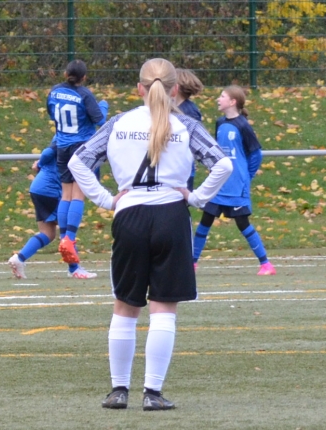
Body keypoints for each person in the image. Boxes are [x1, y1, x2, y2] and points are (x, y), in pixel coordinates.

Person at [69, 58, 231, 411]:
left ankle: (118, 391)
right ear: (175, 89)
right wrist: (198, 197)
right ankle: (153, 394)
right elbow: (223, 163)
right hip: (171, 215)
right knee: (163, 309)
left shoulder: (118, 123)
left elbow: (77, 161)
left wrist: (106, 200)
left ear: (139, 88)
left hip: (130, 216)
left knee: (125, 306)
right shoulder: (185, 124)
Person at [193, 84, 275, 276]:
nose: (218, 99)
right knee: (205, 220)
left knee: (242, 223)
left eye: (222, 96)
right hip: (218, 183)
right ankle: (192, 263)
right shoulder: (220, 123)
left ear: (232, 102)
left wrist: (246, 175)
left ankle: (266, 264)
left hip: (236, 186)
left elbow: (256, 155)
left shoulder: (243, 126)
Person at [46, 60, 106, 269]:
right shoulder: (85, 94)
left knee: (66, 194)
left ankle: (64, 237)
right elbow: (100, 120)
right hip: (81, 147)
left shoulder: (54, 91)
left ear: (65, 73)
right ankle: (69, 239)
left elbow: (51, 113)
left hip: (61, 145)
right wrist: (103, 106)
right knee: (78, 194)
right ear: (84, 77)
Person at [8, 146, 95, 280]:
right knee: (67, 230)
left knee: (48, 233)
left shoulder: (66, 133)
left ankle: (19, 258)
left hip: (38, 188)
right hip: (51, 189)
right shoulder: (72, 135)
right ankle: (74, 268)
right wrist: (40, 164)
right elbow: (49, 152)